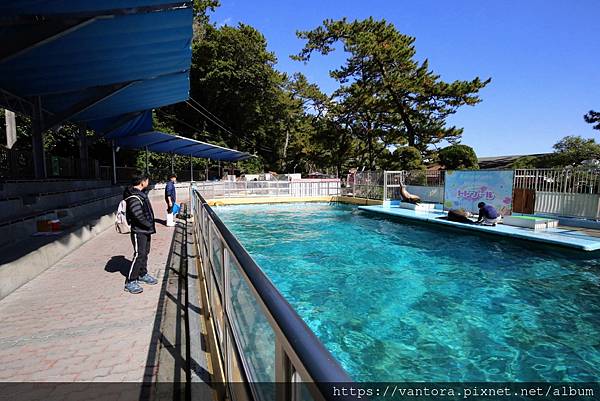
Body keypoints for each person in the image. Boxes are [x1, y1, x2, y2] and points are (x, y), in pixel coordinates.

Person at [123, 173, 158, 294]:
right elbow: (137, 214)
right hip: (139, 230)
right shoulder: (133, 196)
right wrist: (148, 224)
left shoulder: (140, 194)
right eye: (147, 180)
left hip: (145, 230)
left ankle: (143, 274)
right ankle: (130, 281)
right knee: (139, 254)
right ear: (142, 182)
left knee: (145, 253)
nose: (148, 182)